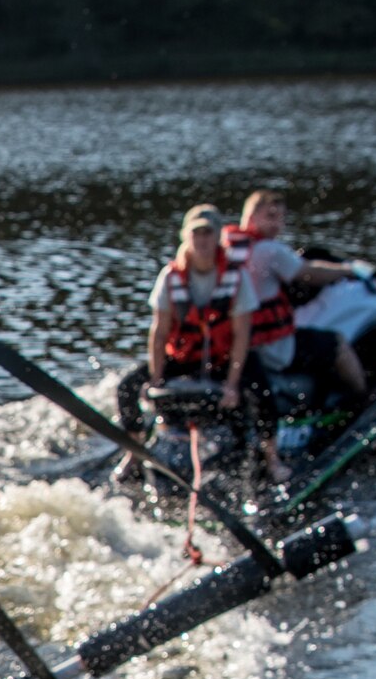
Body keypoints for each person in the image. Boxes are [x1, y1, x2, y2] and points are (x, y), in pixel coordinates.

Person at [117, 203, 289, 484]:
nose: (203, 240)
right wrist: (157, 377)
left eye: (209, 233)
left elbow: (241, 335)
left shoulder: (236, 276)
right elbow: (159, 333)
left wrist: (232, 384)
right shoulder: (170, 277)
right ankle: (134, 453)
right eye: (197, 234)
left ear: (218, 236)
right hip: (184, 357)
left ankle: (272, 458)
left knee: (261, 390)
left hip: (223, 359)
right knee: (127, 387)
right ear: (187, 237)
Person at [229, 187, 368, 404]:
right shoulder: (269, 250)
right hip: (272, 349)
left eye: (281, 218)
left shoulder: (227, 247)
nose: (276, 224)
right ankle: (364, 402)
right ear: (250, 216)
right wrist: (348, 270)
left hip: (241, 344)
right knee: (336, 344)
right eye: (270, 216)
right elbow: (308, 273)